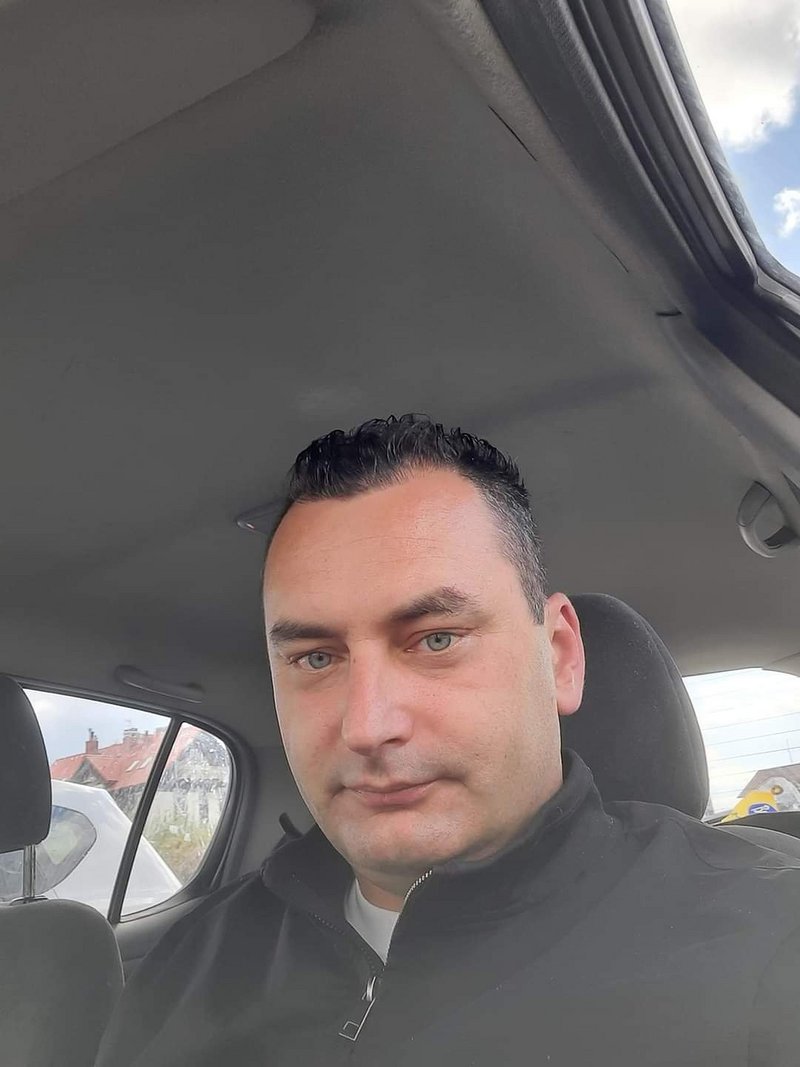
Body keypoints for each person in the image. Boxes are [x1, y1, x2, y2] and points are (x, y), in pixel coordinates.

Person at [96, 414, 800, 1066]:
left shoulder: (768, 946)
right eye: (316, 657)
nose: (367, 725)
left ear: (559, 656)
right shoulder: (188, 966)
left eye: (436, 639)